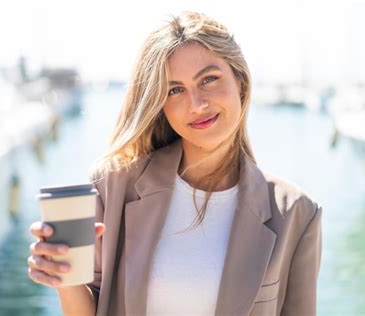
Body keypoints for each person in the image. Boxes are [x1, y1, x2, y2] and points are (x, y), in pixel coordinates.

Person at [27, 11, 322, 316]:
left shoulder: (297, 214)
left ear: (241, 83)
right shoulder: (112, 186)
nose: (196, 104)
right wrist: (65, 279)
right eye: (175, 90)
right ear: (161, 104)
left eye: (208, 80)